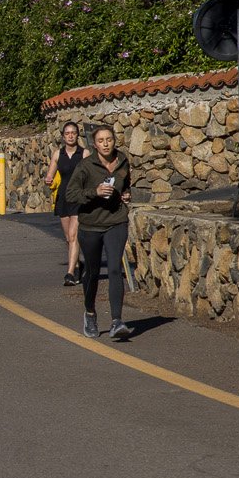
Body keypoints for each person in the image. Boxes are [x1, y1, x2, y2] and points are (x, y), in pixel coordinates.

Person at [63, 124, 135, 341]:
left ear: (114, 141)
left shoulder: (122, 161)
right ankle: (90, 313)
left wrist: (126, 194)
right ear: (94, 144)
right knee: (92, 273)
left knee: (114, 268)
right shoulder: (86, 166)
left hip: (116, 221)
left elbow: (126, 184)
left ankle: (116, 321)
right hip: (91, 225)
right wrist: (93, 192)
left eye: (109, 139)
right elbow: (70, 193)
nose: (106, 144)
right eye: (101, 140)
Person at [45, 122, 89, 286]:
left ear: (78, 135)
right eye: (67, 133)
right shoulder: (58, 154)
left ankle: (70, 273)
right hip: (63, 197)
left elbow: (90, 174)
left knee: (73, 236)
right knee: (67, 238)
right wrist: (48, 180)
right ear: (63, 136)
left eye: (73, 133)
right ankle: (78, 265)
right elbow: (50, 175)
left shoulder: (84, 154)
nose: (70, 136)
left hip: (78, 197)